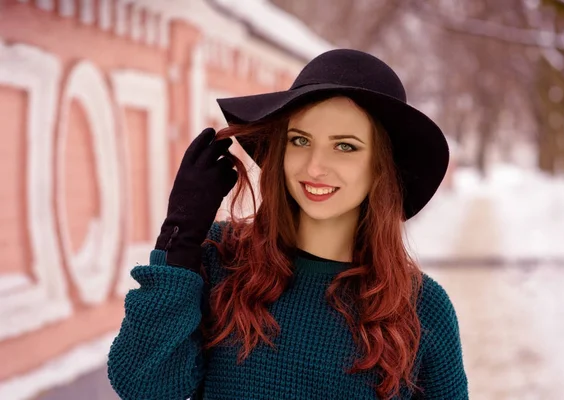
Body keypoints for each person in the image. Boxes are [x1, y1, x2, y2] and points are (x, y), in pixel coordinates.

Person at [107, 49, 469, 400]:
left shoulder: (422, 308)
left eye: (345, 146)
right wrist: (180, 238)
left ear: (381, 167)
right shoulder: (222, 262)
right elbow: (142, 386)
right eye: (300, 140)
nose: (314, 167)